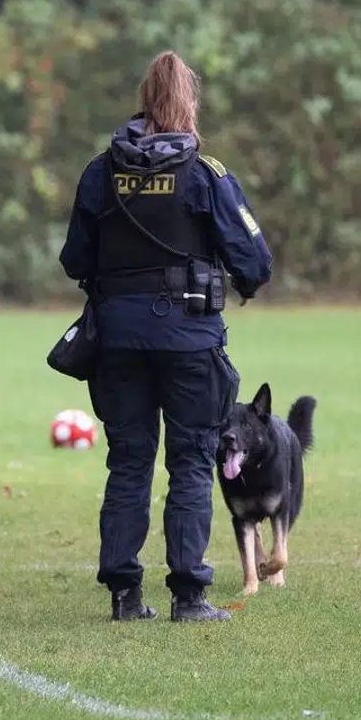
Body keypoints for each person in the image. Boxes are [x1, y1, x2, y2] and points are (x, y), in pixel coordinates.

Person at [58, 50, 274, 623]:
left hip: (118, 342)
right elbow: (253, 259)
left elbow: (74, 257)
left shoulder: (100, 173)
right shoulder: (206, 175)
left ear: (142, 98)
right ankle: (189, 597)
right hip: (190, 341)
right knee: (193, 461)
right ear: (189, 104)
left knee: (129, 461)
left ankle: (125, 596)